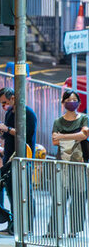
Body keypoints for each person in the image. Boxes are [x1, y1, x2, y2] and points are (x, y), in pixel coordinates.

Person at [0, 86, 37, 235]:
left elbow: (24, 134)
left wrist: (7, 129)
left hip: (24, 158)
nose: (4, 106)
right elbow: (9, 135)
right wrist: (2, 132)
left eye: (5, 102)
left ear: (13, 98)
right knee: (11, 192)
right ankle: (14, 225)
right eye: (1, 104)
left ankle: (27, 226)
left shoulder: (27, 113)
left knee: (24, 192)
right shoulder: (9, 114)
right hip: (9, 158)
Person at [52, 89, 88, 235]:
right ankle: (54, 229)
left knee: (78, 195)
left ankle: (75, 230)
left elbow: (84, 135)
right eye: (68, 100)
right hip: (62, 162)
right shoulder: (58, 121)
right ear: (63, 103)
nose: (71, 103)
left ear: (79, 103)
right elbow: (54, 141)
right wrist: (75, 136)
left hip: (78, 162)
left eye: (74, 100)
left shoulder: (84, 118)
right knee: (59, 195)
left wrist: (62, 136)